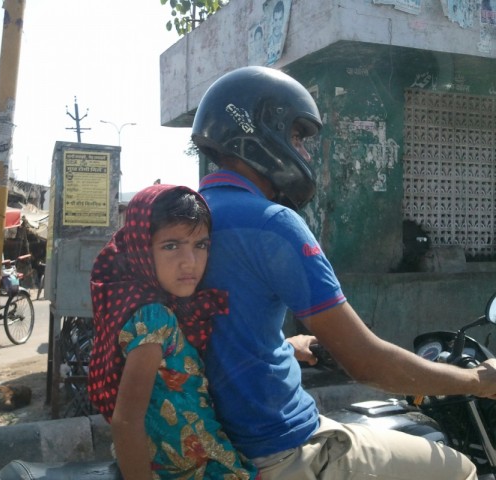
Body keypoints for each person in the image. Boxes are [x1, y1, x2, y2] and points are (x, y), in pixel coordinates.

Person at [191, 65, 496, 479]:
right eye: (297, 137)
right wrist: (477, 380)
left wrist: (286, 346)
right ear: (262, 130)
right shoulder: (272, 223)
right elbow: (366, 362)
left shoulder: (186, 221)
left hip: (212, 439)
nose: (304, 153)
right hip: (280, 448)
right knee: (458, 468)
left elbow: (217, 329)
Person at [88, 184, 259, 479]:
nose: (189, 262)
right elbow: (126, 422)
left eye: (200, 245)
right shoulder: (155, 316)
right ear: (141, 248)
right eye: (171, 246)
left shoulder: (163, 305)